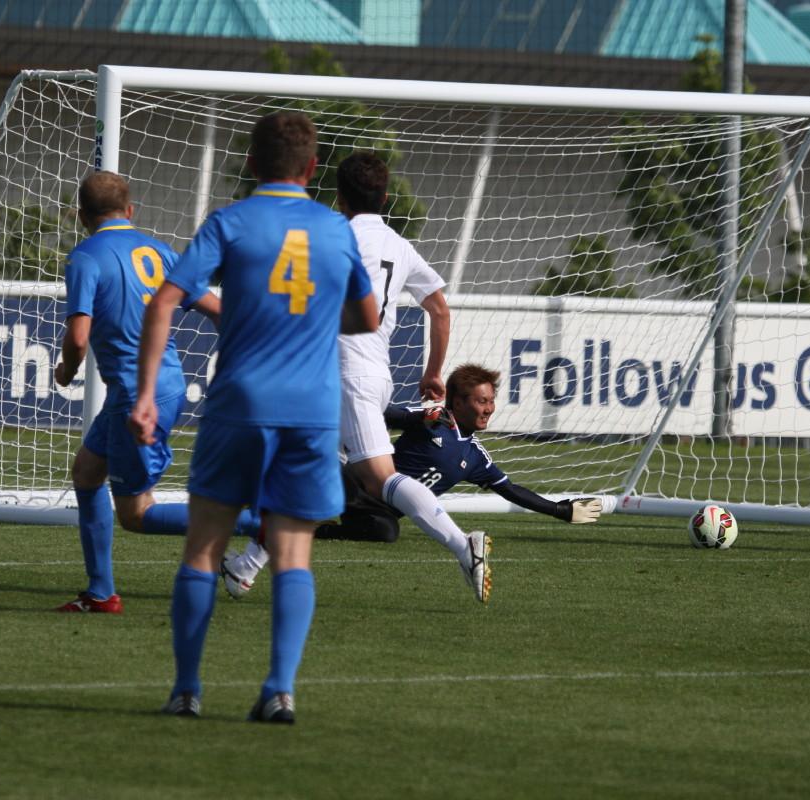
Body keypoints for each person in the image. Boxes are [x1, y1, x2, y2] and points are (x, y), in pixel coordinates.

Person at [129, 111, 378, 722]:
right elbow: (368, 318)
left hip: (238, 405)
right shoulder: (335, 228)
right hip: (312, 413)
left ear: (249, 162)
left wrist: (143, 395)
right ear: (313, 169)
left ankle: (186, 690)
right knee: (293, 553)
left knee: (204, 547)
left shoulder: (231, 221)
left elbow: (167, 299)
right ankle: (278, 691)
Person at [222, 152, 492, 603]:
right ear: (385, 197)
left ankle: (462, 544)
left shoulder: (332, 235)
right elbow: (440, 310)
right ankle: (246, 566)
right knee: (301, 468)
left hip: (341, 374)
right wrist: (433, 373)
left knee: (379, 478)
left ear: (339, 195)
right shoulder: (400, 246)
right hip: (368, 373)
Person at [221, 364, 602, 595]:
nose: (488, 408)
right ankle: (251, 524)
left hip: (375, 511)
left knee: (385, 532)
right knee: (303, 492)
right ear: (456, 402)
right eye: (479, 401)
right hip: (355, 480)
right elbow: (380, 414)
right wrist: (416, 418)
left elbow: (511, 490)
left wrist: (559, 510)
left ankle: (284, 539)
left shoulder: (476, 457)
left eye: (489, 401)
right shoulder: (434, 418)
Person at [53, 171, 220, 614]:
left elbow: (78, 337)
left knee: (136, 514)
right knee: (87, 472)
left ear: (82, 216)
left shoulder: (85, 257)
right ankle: (100, 593)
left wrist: (66, 370)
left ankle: (260, 524)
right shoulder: (159, 251)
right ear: (130, 211)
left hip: (136, 397)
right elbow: (217, 310)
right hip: (157, 386)